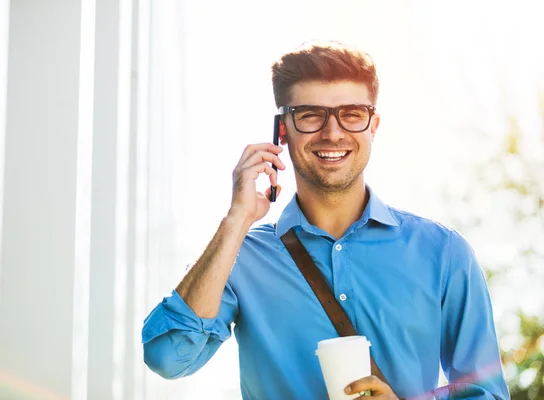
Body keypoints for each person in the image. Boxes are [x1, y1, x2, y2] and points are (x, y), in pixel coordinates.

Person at [142, 41, 510, 399]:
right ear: (282, 130)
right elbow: (169, 358)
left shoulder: (443, 253)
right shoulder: (241, 259)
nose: (332, 133)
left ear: (373, 126)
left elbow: (488, 395)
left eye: (351, 114)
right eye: (310, 115)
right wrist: (236, 219)